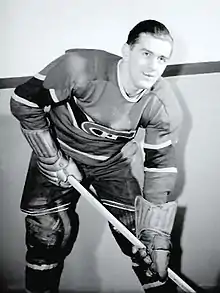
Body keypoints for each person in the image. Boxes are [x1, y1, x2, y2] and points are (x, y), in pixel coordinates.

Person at [10, 19, 182, 292]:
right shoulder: (79, 68)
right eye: (146, 54)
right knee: (47, 236)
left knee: (143, 246)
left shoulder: (162, 104)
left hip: (115, 164)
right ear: (126, 51)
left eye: (162, 58)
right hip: (60, 150)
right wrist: (53, 159)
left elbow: (160, 166)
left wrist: (157, 235)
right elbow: (24, 103)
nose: (153, 66)